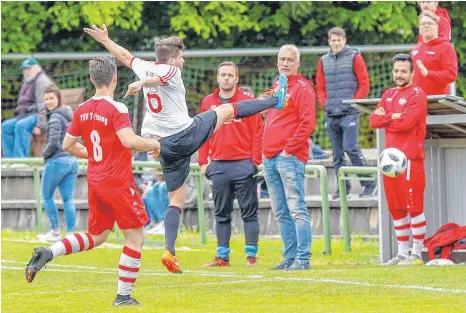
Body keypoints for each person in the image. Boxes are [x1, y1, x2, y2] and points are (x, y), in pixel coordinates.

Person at [84, 25, 289, 273]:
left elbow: (125, 56)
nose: (183, 60)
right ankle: (275, 101)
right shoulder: (171, 71)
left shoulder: (144, 65)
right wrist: (142, 83)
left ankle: (170, 251)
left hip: (165, 146)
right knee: (227, 110)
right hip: (184, 135)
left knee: (176, 200)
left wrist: (106, 40)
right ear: (172, 59)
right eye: (180, 56)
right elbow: (159, 79)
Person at [25, 56, 161, 306]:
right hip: (118, 182)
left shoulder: (82, 109)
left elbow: (68, 144)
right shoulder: (117, 108)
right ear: (115, 78)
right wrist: (154, 143)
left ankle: (49, 252)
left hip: (96, 181)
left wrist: (94, 155)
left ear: (91, 79)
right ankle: (123, 296)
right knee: (135, 237)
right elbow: (130, 141)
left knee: (98, 236)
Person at [198, 62, 262, 267]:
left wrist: (255, 161)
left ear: (237, 79)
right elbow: (202, 134)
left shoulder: (248, 101)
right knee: (221, 213)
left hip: (244, 164)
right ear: (217, 78)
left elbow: (257, 132)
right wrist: (202, 162)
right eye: (222, 75)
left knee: (249, 212)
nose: (226, 78)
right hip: (218, 166)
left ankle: (251, 257)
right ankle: (222, 256)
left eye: (230, 75)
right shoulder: (208, 102)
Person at [370, 54, 428, 265]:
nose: (399, 75)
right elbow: (373, 120)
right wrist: (392, 117)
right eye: (396, 71)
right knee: (396, 207)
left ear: (412, 73)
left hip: (410, 159)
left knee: (414, 207)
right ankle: (402, 253)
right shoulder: (388, 94)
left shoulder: (418, 95)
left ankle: (417, 253)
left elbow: (406, 123)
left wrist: (389, 118)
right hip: (389, 162)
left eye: (404, 71)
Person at [263, 45, 315, 271]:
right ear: (277, 62)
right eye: (281, 59)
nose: (285, 63)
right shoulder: (277, 86)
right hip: (270, 157)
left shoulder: (303, 88)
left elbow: (307, 123)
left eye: (289, 60)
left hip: (288, 157)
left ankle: (302, 259)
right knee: (281, 211)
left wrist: (289, 149)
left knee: (296, 208)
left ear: (297, 64)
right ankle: (289, 257)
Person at [316, 27, 377, 199]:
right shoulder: (323, 61)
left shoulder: (355, 57)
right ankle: (343, 187)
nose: (336, 43)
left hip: (349, 112)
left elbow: (364, 83)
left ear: (344, 40)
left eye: (339, 40)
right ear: (329, 42)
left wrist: (354, 103)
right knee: (337, 155)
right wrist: (325, 104)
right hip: (331, 113)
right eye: (333, 41)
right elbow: (320, 86)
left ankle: (370, 183)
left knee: (351, 148)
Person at [38, 86, 78, 243]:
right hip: (72, 161)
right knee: (68, 199)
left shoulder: (55, 118)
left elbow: (53, 143)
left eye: (51, 98)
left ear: (58, 99)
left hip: (57, 161)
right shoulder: (69, 116)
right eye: (46, 99)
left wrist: (44, 155)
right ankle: (71, 234)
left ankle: (55, 231)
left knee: (46, 196)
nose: (48, 102)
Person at [2, 57, 53, 158]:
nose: (26, 71)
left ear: (37, 68)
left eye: (29, 68)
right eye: (24, 69)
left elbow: (43, 105)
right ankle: (9, 160)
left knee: (21, 125)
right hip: (24, 116)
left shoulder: (42, 81)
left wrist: (40, 125)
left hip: (37, 115)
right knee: (5, 126)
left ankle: (20, 160)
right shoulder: (27, 80)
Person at [411, 11, 458, 96]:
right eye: (423, 23)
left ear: (437, 26)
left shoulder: (446, 48)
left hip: (436, 101)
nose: (426, 26)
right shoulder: (416, 49)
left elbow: (451, 75)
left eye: (429, 23)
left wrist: (429, 74)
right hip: (416, 99)